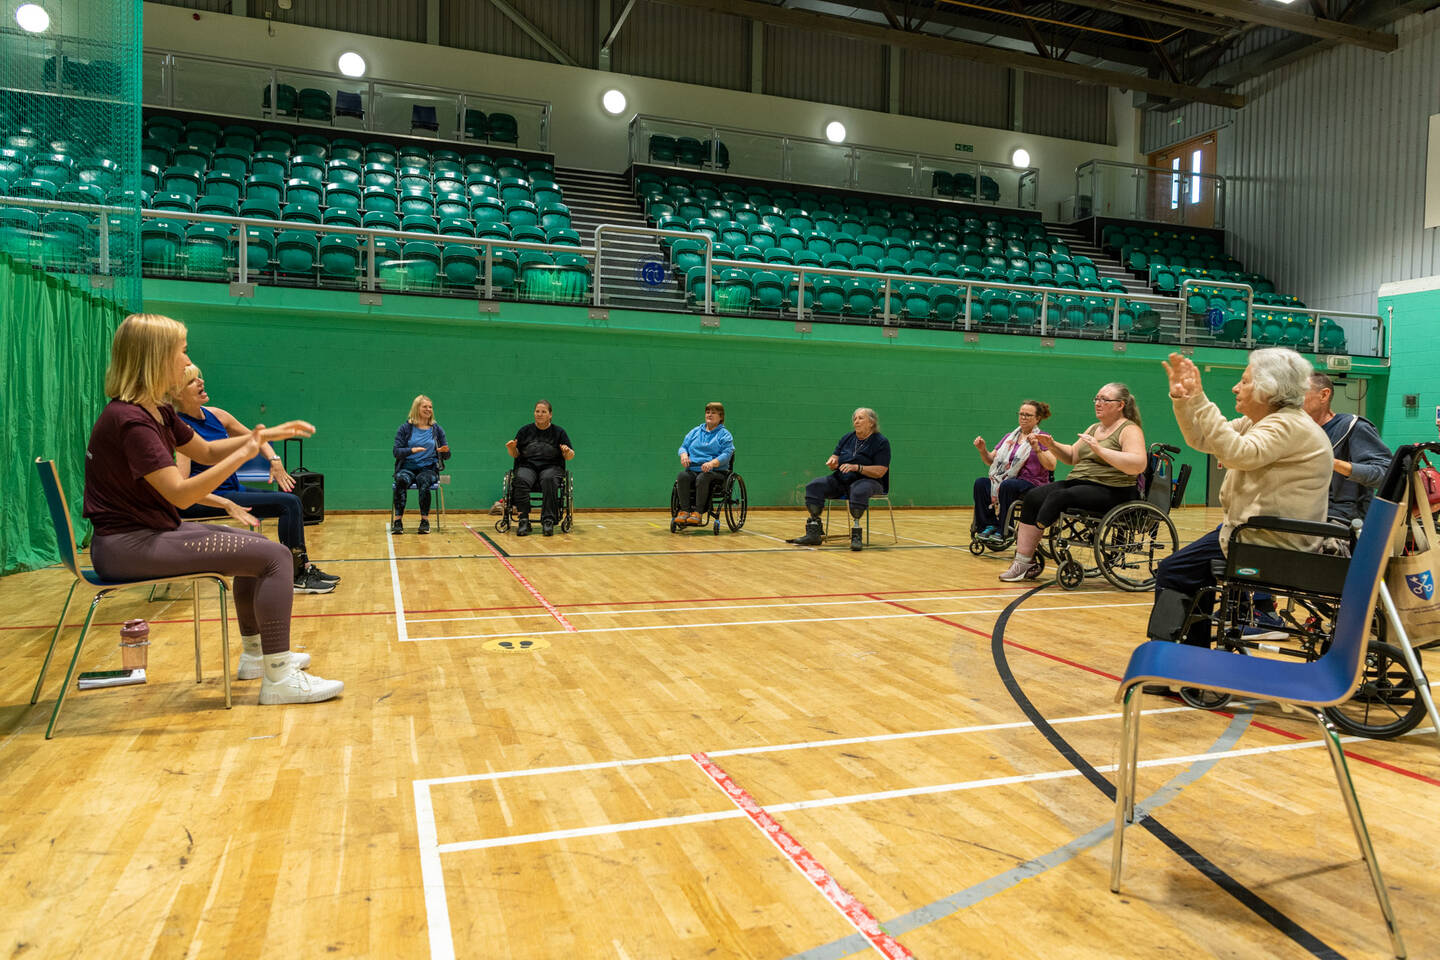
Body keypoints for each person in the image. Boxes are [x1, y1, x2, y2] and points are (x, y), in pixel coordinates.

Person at [81, 313, 342, 704]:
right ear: (155, 358)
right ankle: (279, 677)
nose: (188, 362)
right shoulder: (131, 421)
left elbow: (202, 450)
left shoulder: (156, 411)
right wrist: (246, 454)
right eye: (182, 353)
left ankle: (258, 656)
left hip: (147, 535)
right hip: (128, 547)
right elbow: (182, 495)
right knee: (274, 557)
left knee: (252, 546)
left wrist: (261, 436)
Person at [1150, 349, 1332, 647]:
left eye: (1244, 381)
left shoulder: (1288, 425)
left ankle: (1183, 660)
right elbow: (1201, 437)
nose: (1236, 387)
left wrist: (1199, 398)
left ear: (1267, 388)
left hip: (1272, 542)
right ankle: (1183, 659)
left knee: (1176, 571)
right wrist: (1183, 400)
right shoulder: (1263, 422)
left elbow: (1238, 453)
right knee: (1180, 570)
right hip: (1253, 534)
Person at [172, 364, 339, 595]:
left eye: (199, 378)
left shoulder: (218, 415)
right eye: (192, 381)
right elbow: (183, 490)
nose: (201, 382)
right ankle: (297, 574)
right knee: (288, 504)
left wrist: (275, 459)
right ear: (178, 394)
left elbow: (256, 438)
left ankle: (303, 567)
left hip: (233, 489)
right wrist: (225, 503)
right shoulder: (182, 428)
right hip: (208, 498)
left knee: (291, 500)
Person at [999, 383, 1148, 582]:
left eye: (1104, 399)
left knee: (1061, 496)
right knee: (1034, 496)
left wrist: (1100, 450)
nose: (1098, 403)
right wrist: (1051, 445)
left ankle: (1043, 523)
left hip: (1114, 489)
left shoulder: (1129, 429)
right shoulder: (1094, 428)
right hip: (1081, 482)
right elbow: (1071, 456)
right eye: (1096, 398)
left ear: (1120, 405)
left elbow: (1137, 464)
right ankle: (1023, 562)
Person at [789, 408, 891, 552]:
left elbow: (880, 471)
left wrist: (857, 467)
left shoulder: (881, 442)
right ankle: (814, 532)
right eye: (854, 418)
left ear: (871, 422)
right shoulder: (847, 438)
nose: (856, 421)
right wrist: (832, 462)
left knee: (859, 490)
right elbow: (835, 457)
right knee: (814, 486)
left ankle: (856, 535)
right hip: (842, 480)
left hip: (870, 481)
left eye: (861, 418)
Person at [1303, 372, 1392, 524]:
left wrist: (1334, 463)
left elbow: (1385, 474)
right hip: (1300, 513)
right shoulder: (1296, 431)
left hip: (1340, 518)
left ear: (1324, 395)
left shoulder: (1354, 427)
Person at [972, 400, 1056, 541]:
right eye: (1021, 414)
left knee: (1009, 485)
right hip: (1007, 481)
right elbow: (990, 460)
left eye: (1028, 415)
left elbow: (1052, 465)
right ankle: (987, 525)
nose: (1023, 417)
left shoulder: (1042, 438)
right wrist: (982, 450)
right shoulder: (1009, 437)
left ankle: (1004, 529)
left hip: (1032, 484)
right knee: (981, 483)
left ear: (1037, 418)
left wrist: (1037, 448)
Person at [505, 399, 575, 536]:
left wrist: (567, 452)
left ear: (550, 415)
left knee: (549, 479)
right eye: (537, 411)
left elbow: (570, 455)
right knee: (520, 479)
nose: (540, 414)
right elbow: (515, 454)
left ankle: (548, 520)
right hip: (528, 466)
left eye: (543, 412)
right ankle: (524, 520)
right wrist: (511, 448)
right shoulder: (525, 431)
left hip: (551, 467)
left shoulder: (559, 432)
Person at [392, 395, 450, 535]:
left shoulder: (437, 430)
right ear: (416, 408)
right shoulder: (405, 428)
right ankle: (398, 521)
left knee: (423, 480)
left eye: (430, 407)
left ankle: (425, 521)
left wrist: (444, 451)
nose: (428, 409)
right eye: (425, 406)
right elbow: (396, 451)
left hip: (428, 468)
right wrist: (412, 450)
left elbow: (447, 455)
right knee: (401, 480)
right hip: (408, 467)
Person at [674, 402, 735, 526]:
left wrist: (712, 463)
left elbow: (727, 454)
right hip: (694, 469)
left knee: (703, 477)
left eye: (713, 413)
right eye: (708, 412)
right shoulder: (695, 431)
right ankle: (685, 511)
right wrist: (684, 455)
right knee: (682, 476)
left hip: (715, 472)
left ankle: (698, 513)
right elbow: (683, 447)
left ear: (721, 417)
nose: (710, 415)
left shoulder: (724, 435)